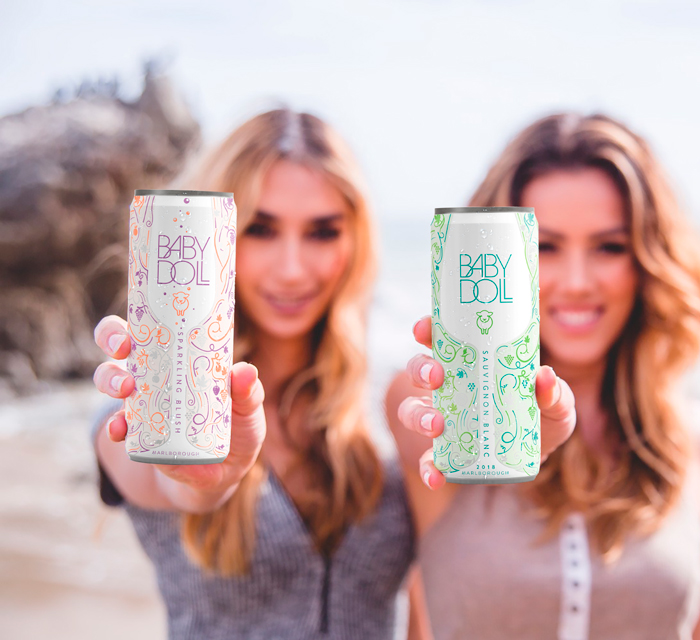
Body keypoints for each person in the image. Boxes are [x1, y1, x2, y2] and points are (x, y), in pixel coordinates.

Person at [92, 107, 576, 639]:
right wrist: (207, 478)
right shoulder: (147, 409)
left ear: (356, 242)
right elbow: (173, 485)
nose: (293, 268)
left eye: (322, 232)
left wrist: (527, 449)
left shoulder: (399, 408)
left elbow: (440, 597)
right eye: (260, 229)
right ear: (212, 240)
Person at [387, 112, 700, 640]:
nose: (577, 282)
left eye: (609, 247)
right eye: (544, 247)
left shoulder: (688, 444)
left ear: (647, 260)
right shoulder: (435, 414)